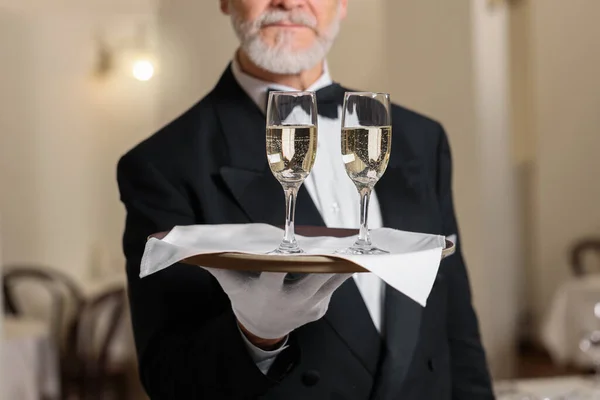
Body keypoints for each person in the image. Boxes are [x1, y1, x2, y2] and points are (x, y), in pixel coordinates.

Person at [117, 0, 495, 398]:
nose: (290, 1)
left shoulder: (420, 138)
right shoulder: (162, 164)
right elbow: (169, 379)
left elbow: (456, 324)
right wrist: (256, 336)